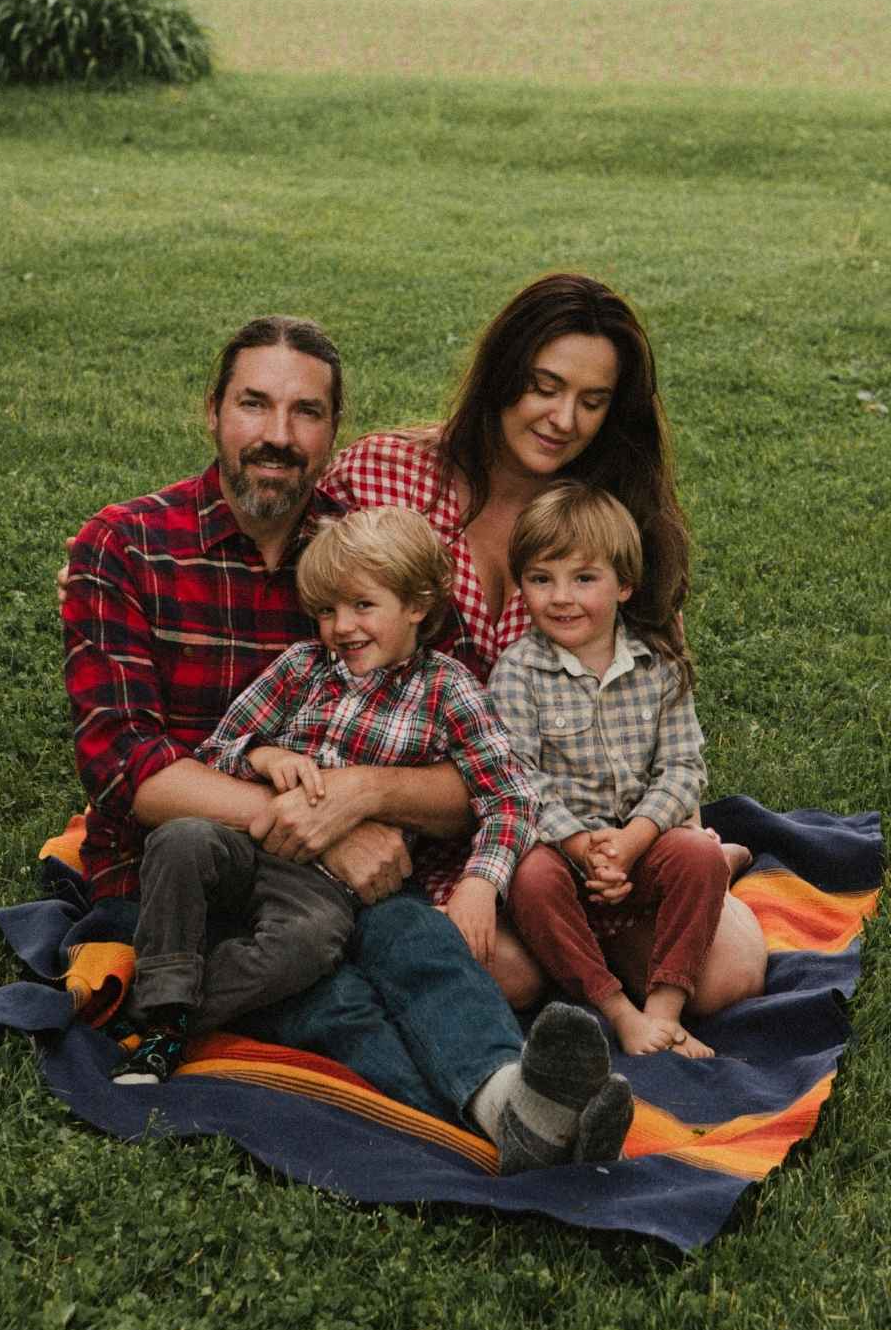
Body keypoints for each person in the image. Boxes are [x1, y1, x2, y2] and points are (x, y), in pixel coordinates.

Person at [62, 315, 632, 1170]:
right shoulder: (126, 545)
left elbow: (474, 758)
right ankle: (498, 1111)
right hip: (186, 874)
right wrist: (322, 818)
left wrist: (367, 798)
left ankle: (512, 1107)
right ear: (213, 410)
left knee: (428, 955)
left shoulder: (363, 548)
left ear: (336, 433)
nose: (278, 436)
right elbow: (125, 768)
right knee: (332, 991)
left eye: (308, 413)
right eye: (254, 405)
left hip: (347, 884)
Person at [320, 272, 766, 1009]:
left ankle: (689, 880)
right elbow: (305, 617)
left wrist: (663, 840)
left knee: (727, 975)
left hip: (570, 834)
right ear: (503, 373)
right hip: (417, 823)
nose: (563, 418)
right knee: (506, 973)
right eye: (544, 386)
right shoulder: (384, 475)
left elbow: (656, 700)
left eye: (592, 402)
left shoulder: (613, 523)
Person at [113, 505, 539, 1084]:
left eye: (363, 606)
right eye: (327, 611)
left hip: (322, 887)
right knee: (181, 839)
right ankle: (167, 994)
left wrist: (481, 883)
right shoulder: (301, 668)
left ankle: (167, 1017)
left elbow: (510, 796)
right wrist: (263, 755)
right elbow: (216, 751)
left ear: (416, 605)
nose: (342, 627)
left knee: (308, 945)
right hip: (246, 842)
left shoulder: (448, 690)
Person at [491, 482, 761, 1058]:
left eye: (584, 578)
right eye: (542, 579)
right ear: (522, 587)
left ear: (624, 585)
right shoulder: (517, 672)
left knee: (697, 855)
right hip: (567, 854)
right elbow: (519, 776)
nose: (561, 597)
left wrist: (636, 840)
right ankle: (618, 1010)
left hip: (643, 843)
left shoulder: (657, 666)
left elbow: (684, 767)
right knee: (529, 879)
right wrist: (585, 845)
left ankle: (665, 1008)